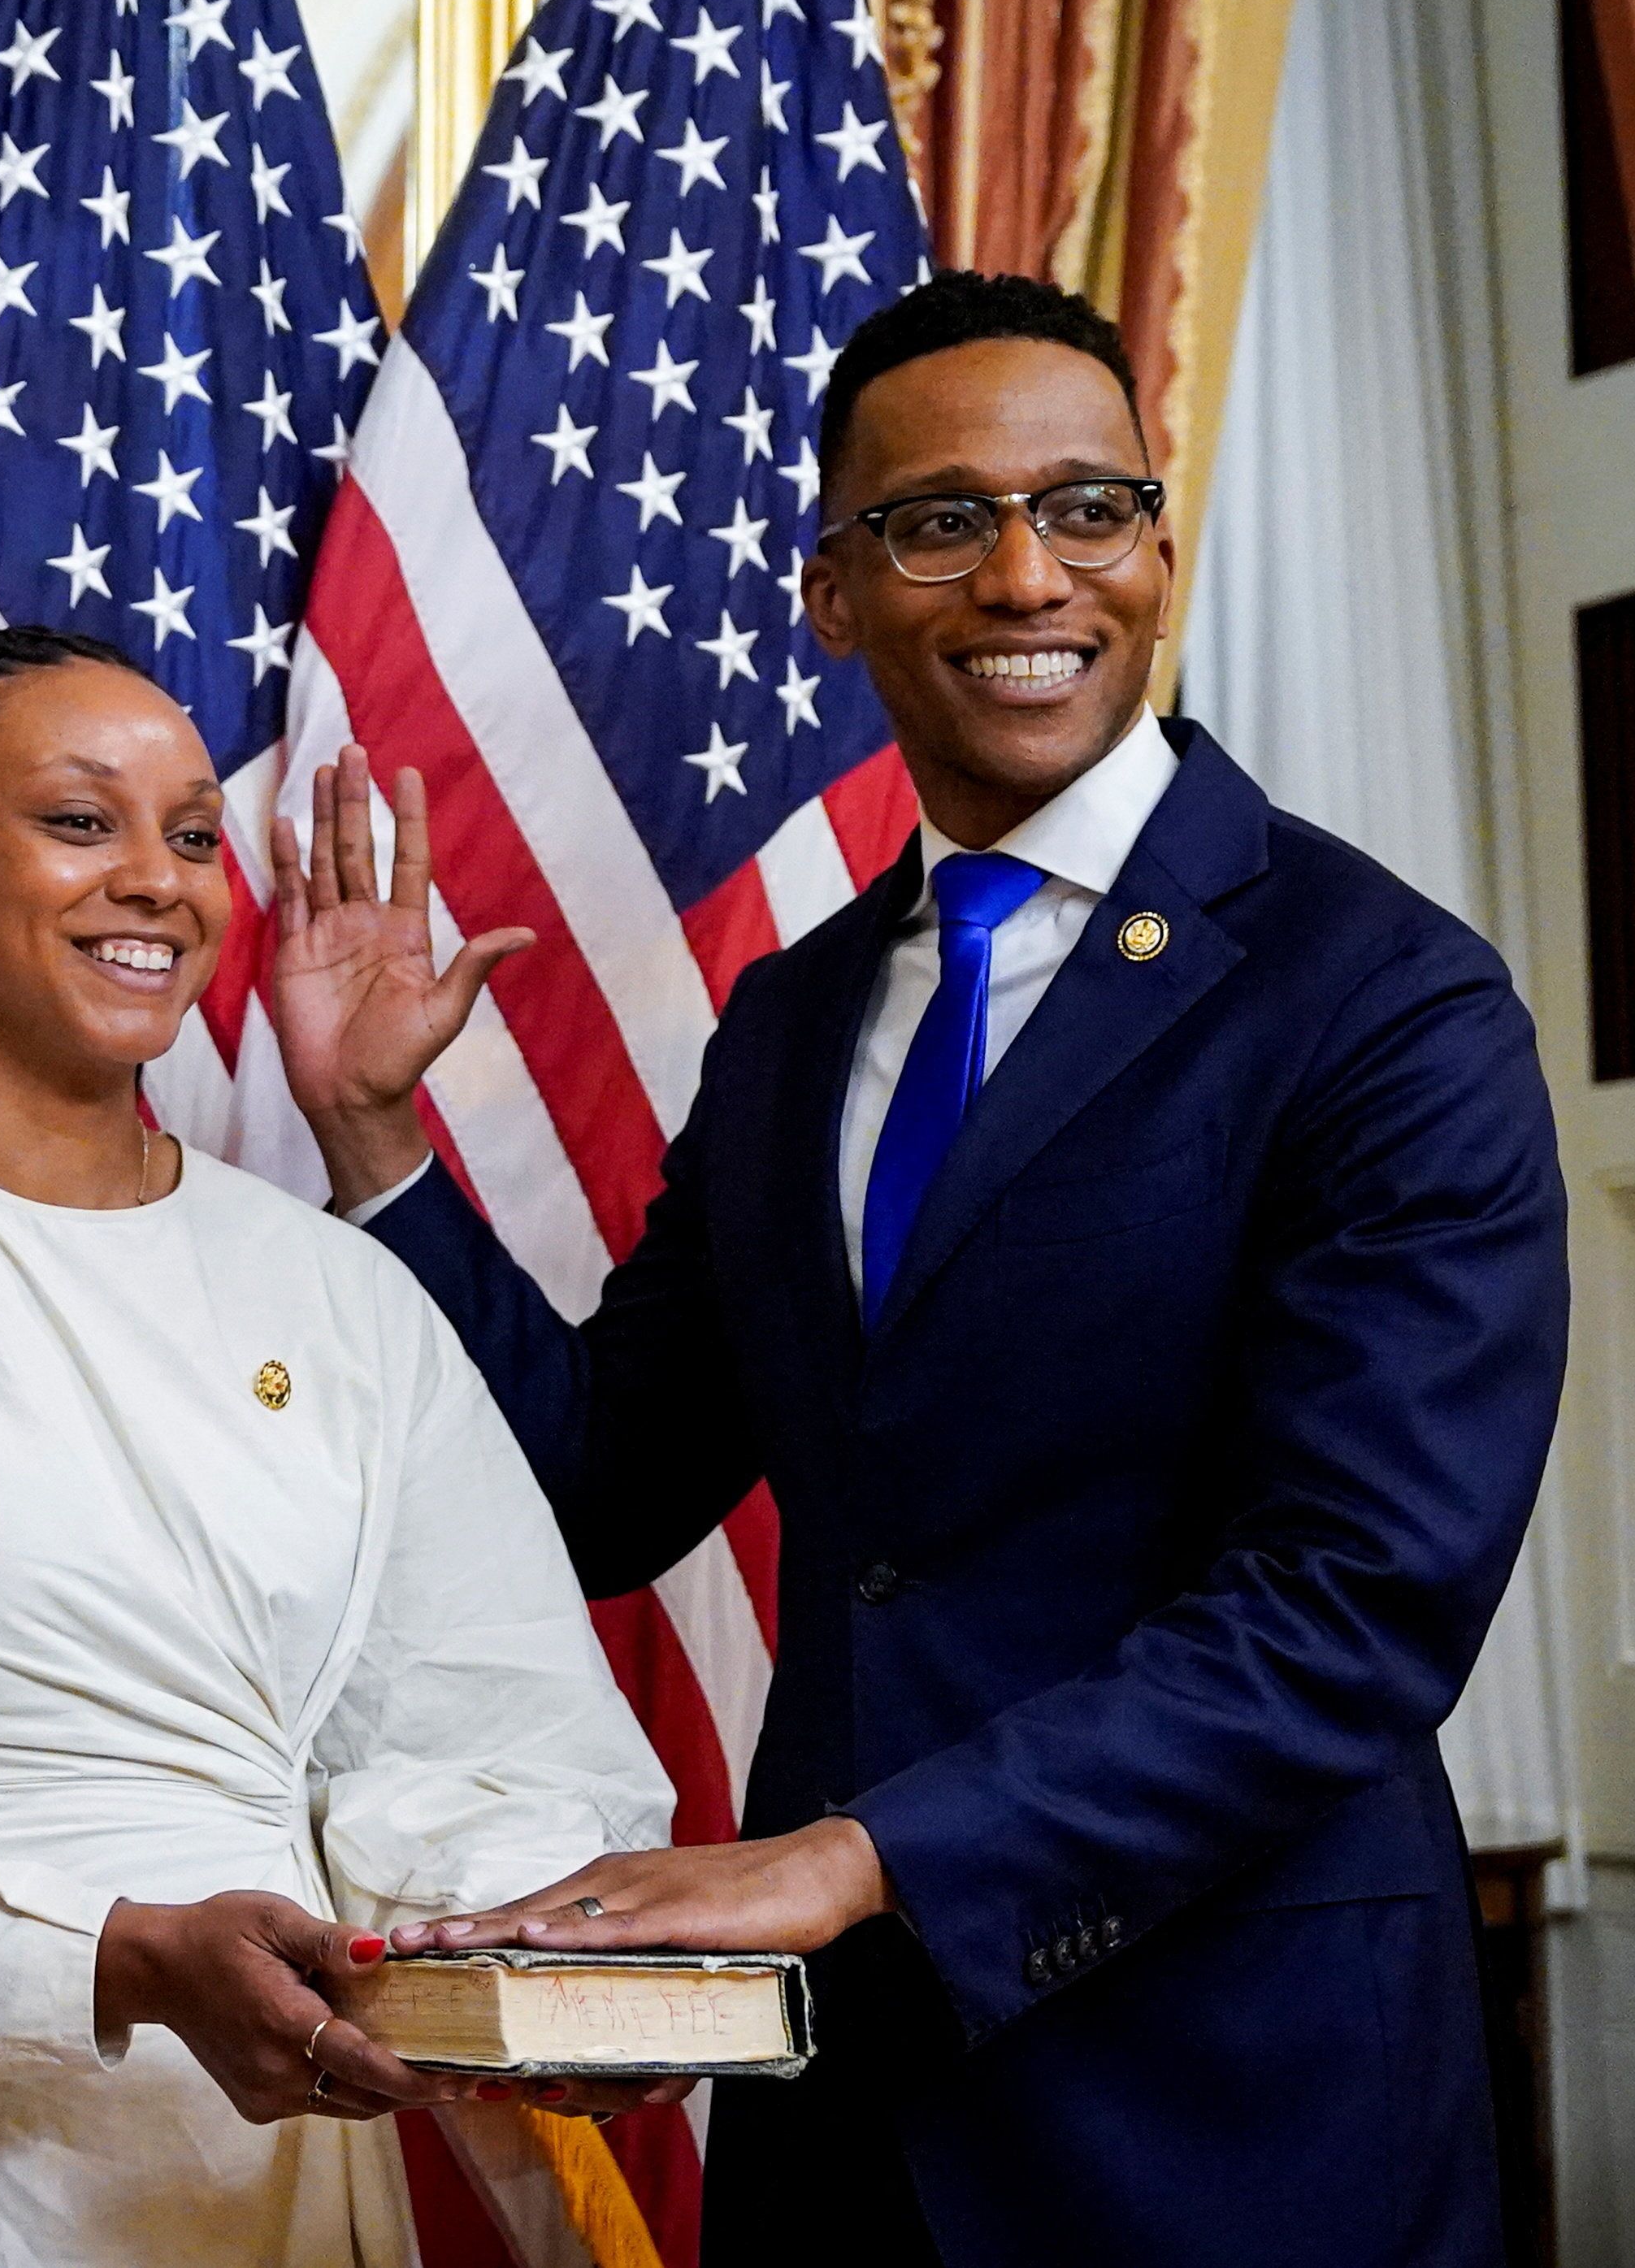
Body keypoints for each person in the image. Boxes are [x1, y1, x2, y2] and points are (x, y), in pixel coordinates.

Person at [267, 271, 1568, 2266]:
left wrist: (862, 1858)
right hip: (854, 2108)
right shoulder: (793, 1021)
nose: (1024, 575)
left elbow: (1351, 1603)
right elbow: (603, 1480)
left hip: (1231, 2095)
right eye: (942, 520)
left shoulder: (1378, 998)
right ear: (832, 591)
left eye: (1087, 509)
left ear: (1152, 552)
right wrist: (375, 1134)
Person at [0, 627, 680, 2266]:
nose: (156, 882)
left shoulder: (336, 1294)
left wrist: (575, 1974)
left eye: (189, 835)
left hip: (266, 2186)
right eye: (79, 820)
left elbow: (484, 1738)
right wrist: (123, 1959)